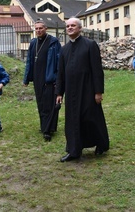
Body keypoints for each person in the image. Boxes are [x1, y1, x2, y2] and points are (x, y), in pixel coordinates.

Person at [55, 17, 109, 162]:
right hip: (71, 92)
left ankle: (101, 144)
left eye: (73, 25)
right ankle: (74, 150)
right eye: (68, 26)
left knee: (91, 119)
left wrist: (98, 91)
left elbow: (97, 70)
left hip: (88, 90)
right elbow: (60, 72)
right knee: (72, 121)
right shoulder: (64, 49)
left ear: (80, 28)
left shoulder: (90, 45)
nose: (70, 28)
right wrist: (59, 92)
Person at [23, 20, 62, 141]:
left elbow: (59, 60)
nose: (38, 30)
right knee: (40, 103)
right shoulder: (33, 42)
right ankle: (44, 126)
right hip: (37, 77)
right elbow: (29, 60)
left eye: (41, 28)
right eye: (37, 29)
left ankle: (48, 130)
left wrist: (58, 77)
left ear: (45, 28)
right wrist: (26, 78)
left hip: (49, 77)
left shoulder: (53, 42)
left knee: (49, 104)